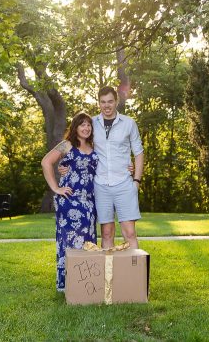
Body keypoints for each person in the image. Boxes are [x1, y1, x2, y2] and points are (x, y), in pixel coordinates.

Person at [41, 112, 97, 292]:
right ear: (75, 127)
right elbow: (46, 162)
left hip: (89, 201)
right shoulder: (67, 145)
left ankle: (86, 283)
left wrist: (129, 167)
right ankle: (67, 285)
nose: (86, 128)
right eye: (82, 124)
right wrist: (56, 188)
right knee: (70, 241)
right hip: (69, 200)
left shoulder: (95, 145)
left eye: (89, 124)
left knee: (88, 240)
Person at [91, 85, 143, 249]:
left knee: (129, 233)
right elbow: (76, 146)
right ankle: (109, 274)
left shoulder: (129, 123)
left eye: (110, 101)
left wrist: (136, 181)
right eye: (103, 102)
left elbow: (139, 153)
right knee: (106, 233)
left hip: (124, 184)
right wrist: (64, 165)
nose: (106, 105)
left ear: (116, 101)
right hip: (101, 186)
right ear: (99, 103)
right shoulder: (91, 123)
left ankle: (135, 274)